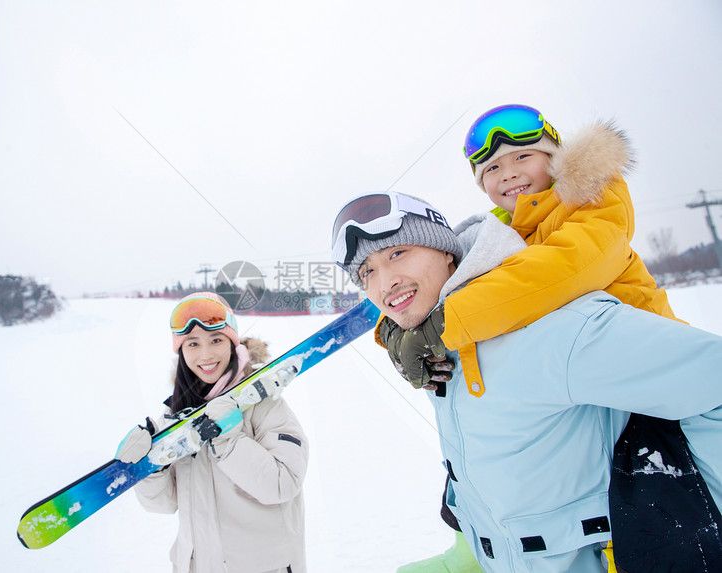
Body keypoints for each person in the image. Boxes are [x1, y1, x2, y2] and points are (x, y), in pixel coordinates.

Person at [330, 191, 722, 572]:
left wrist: (685, 528)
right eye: (367, 272)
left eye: (397, 253)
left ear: (445, 250)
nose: (385, 283)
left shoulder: (554, 329)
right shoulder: (436, 348)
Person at [377, 104, 684, 572]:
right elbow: (443, 281)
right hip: (573, 398)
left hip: (646, 396)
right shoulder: (507, 230)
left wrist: (440, 325)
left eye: (523, 157)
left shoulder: (596, 204)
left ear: (556, 157)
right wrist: (397, 328)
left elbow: (553, 274)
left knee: (639, 518)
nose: (509, 174)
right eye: (492, 168)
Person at [115, 292, 309, 573]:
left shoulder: (264, 405)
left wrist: (228, 439)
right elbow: (165, 504)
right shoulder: (178, 415)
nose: (206, 355)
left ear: (232, 344)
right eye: (193, 343)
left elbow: (283, 483)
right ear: (181, 352)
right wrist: (149, 469)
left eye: (216, 340)